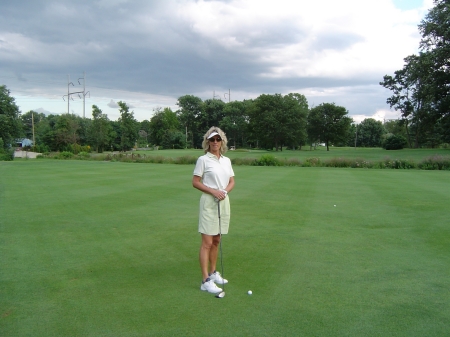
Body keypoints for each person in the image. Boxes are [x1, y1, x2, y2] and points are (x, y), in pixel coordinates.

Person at [192, 126, 235, 294]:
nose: (215, 142)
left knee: (217, 240)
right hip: (209, 202)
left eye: (218, 139)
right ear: (207, 142)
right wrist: (213, 191)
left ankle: (213, 272)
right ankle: (205, 280)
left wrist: (224, 191)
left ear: (222, 141)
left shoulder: (226, 160)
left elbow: (232, 181)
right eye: (212, 140)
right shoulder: (203, 160)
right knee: (207, 242)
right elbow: (195, 182)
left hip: (223, 201)